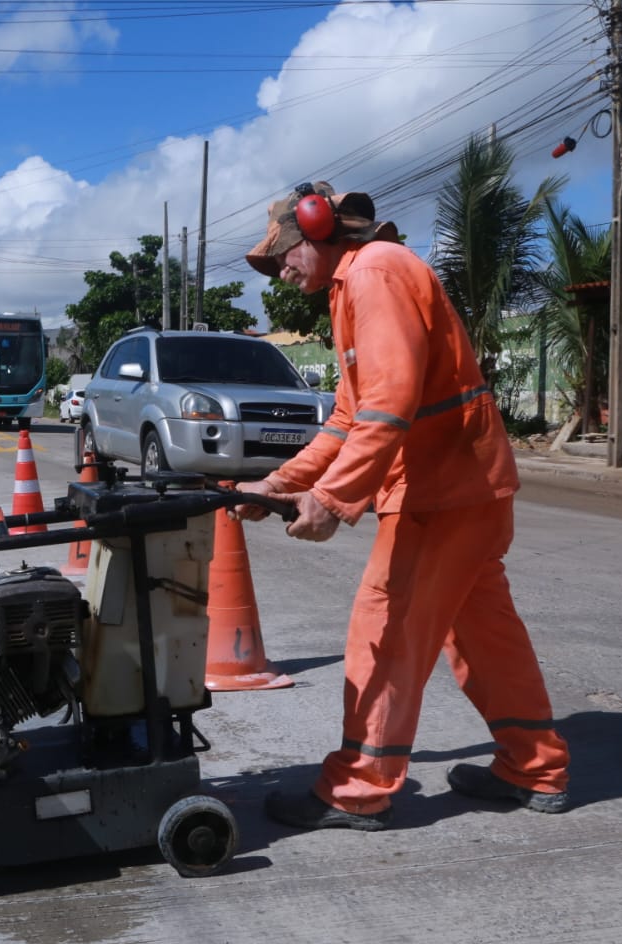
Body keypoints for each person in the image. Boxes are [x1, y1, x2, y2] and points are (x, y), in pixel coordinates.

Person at [237, 180, 570, 831]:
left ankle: (357, 787)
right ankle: (535, 767)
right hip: (463, 489)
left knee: (384, 632)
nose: (278, 269)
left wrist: (331, 499)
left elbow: (389, 403)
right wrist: (281, 482)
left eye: (282, 253)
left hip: (441, 491)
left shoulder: (376, 274)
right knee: (483, 636)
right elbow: (347, 415)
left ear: (318, 227)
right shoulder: (350, 286)